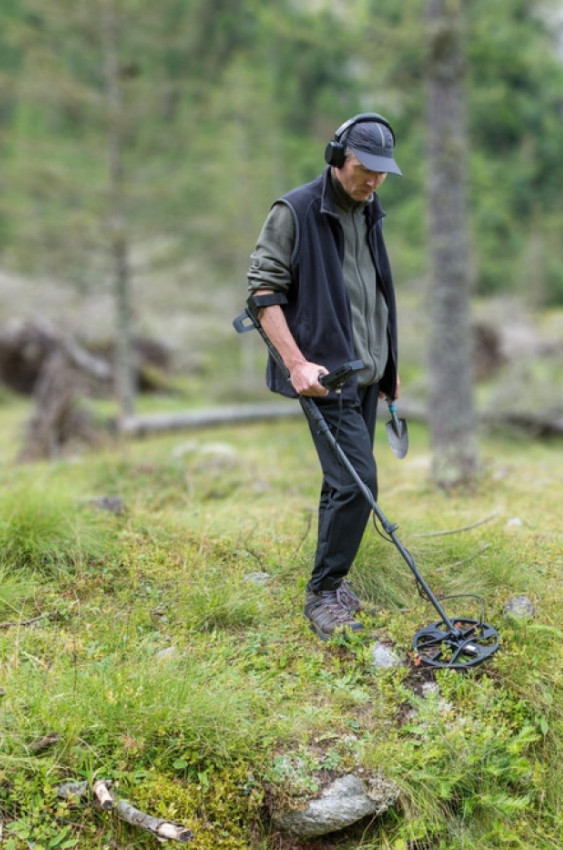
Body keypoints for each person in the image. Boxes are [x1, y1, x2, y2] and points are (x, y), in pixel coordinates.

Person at [244, 113, 403, 640]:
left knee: (343, 482)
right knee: (359, 484)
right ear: (337, 158)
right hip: (323, 376)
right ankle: (322, 593)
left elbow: (372, 294)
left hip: (365, 373)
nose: (373, 180)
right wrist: (296, 363)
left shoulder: (369, 208)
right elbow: (262, 294)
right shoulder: (294, 211)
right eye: (364, 169)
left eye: (382, 172)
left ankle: (332, 584)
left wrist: (387, 366)